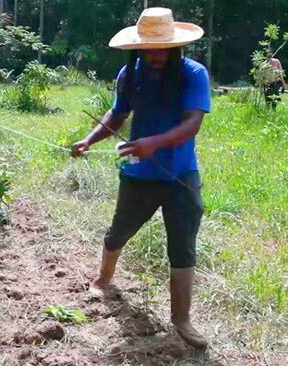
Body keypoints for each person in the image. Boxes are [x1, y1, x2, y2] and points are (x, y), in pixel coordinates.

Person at [72, 7, 210, 348]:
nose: (154, 54)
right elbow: (117, 114)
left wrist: (154, 143)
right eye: (147, 48)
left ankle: (182, 319)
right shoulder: (129, 74)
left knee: (182, 246)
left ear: (176, 46)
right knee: (119, 230)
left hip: (180, 174)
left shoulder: (194, 74)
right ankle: (103, 280)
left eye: (161, 47)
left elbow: (194, 122)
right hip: (138, 174)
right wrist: (90, 140)